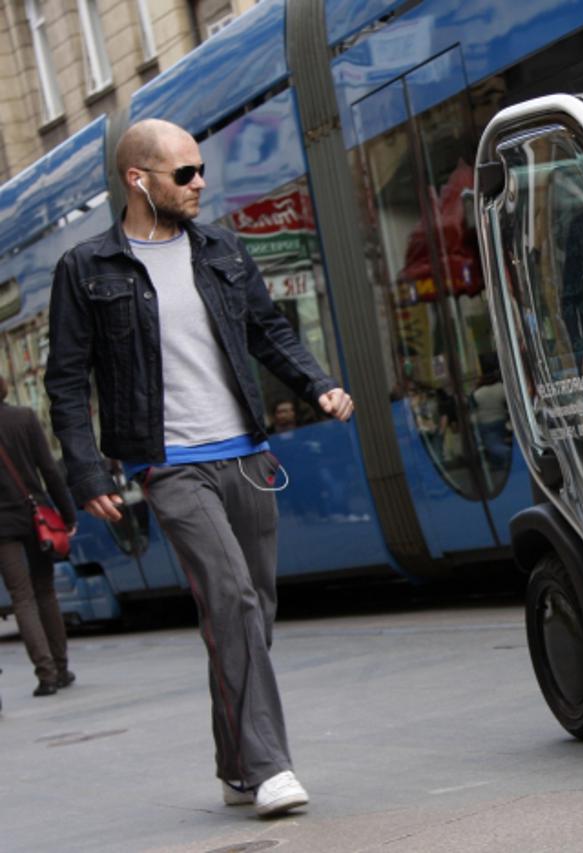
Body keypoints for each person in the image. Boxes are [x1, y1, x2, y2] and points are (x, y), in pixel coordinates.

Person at [44, 119, 355, 817]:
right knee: (232, 601)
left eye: (199, 170)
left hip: (245, 456)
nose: (199, 183)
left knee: (255, 612)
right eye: (184, 173)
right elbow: (67, 380)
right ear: (138, 180)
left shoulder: (221, 249)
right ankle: (273, 766)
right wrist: (88, 472)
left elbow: (267, 330)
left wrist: (317, 383)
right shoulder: (87, 269)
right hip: (171, 465)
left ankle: (235, 764)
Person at [0, 377, 78, 698]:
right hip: (36, 517)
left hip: (2, 528)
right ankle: (61, 668)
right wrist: (67, 514)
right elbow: (49, 470)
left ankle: (45, 676)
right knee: (45, 591)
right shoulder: (24, 418)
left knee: (22, 597)